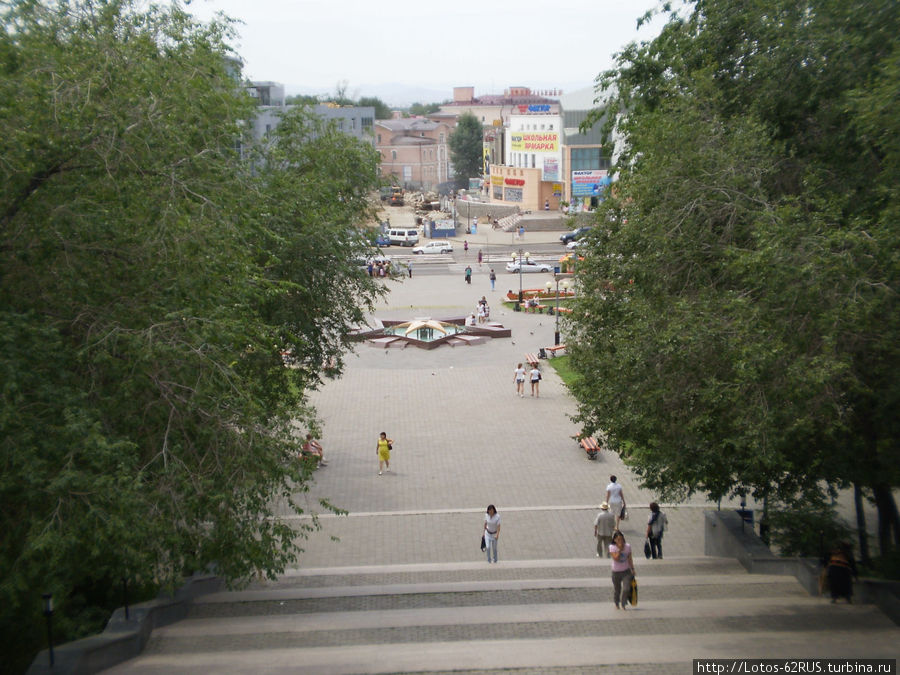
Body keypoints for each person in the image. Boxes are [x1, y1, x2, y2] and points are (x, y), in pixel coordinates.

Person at [609, 531, 636, 609]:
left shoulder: (628, 546)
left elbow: (630, 558)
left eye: (621, 539)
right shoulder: (612, 547)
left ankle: (623, 603)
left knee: (626, 588)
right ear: (614, 540)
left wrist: (632, 569)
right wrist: (620, 550)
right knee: (617, 590)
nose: (620, 541)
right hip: (616, 572)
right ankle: (616, 602)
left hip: (626, 571)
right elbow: (616, 558)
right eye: (618, 539)